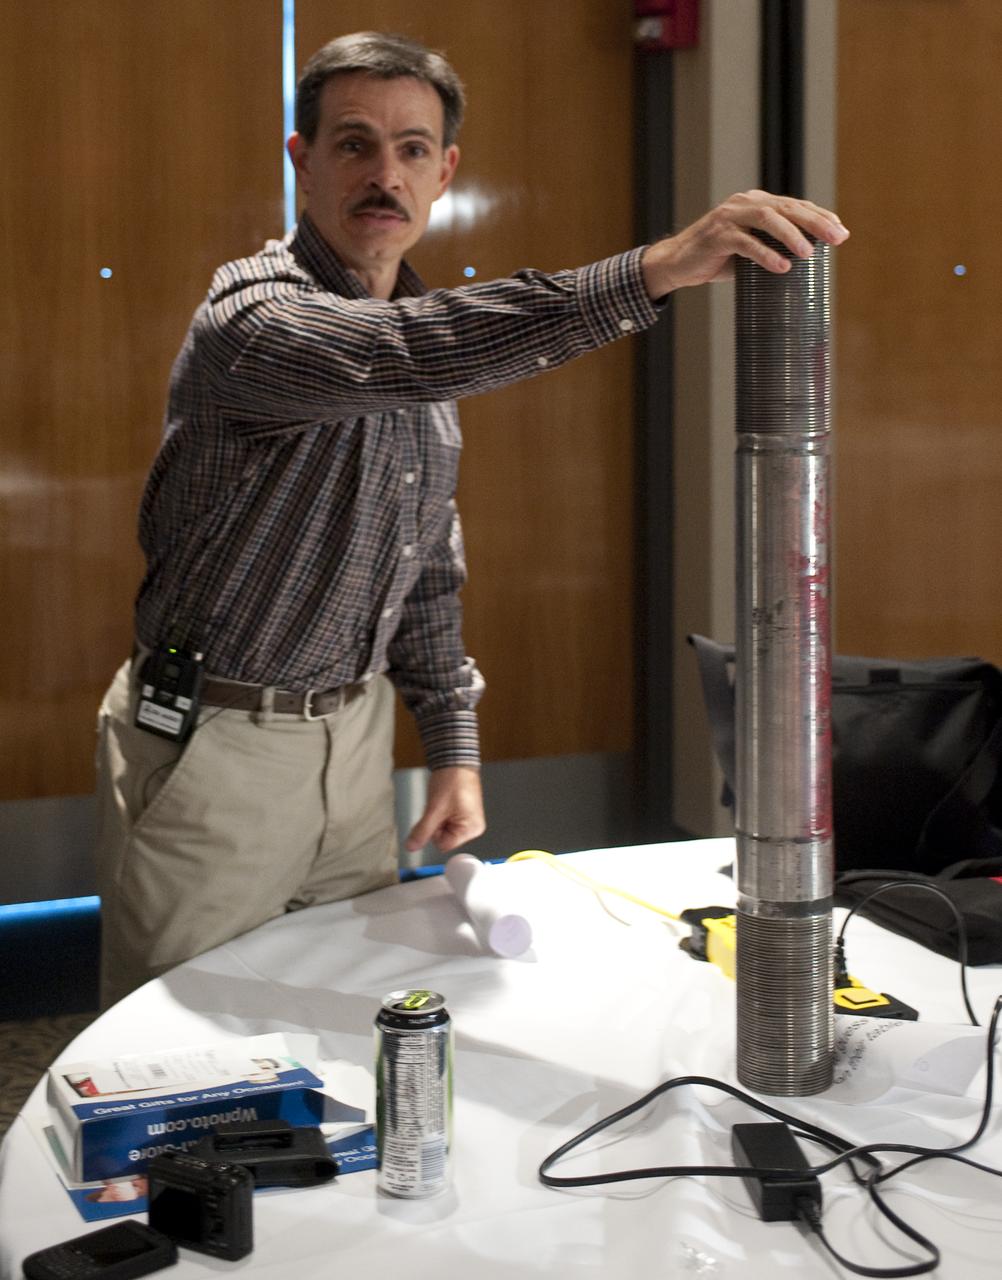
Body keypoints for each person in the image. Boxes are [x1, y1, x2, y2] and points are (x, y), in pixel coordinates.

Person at [93, 30, 849, 1008]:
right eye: (354, 143)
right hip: (218, 748)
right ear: (302, 159)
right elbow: (408, 350)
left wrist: (453, 745)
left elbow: (426, 568)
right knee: (179, 1067)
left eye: (412, 149)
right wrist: (653, 269)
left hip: (354, 744)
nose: (384, 173)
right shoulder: (257, 318)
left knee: (341, 1020)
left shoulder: (422, 354)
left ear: (444, 171)